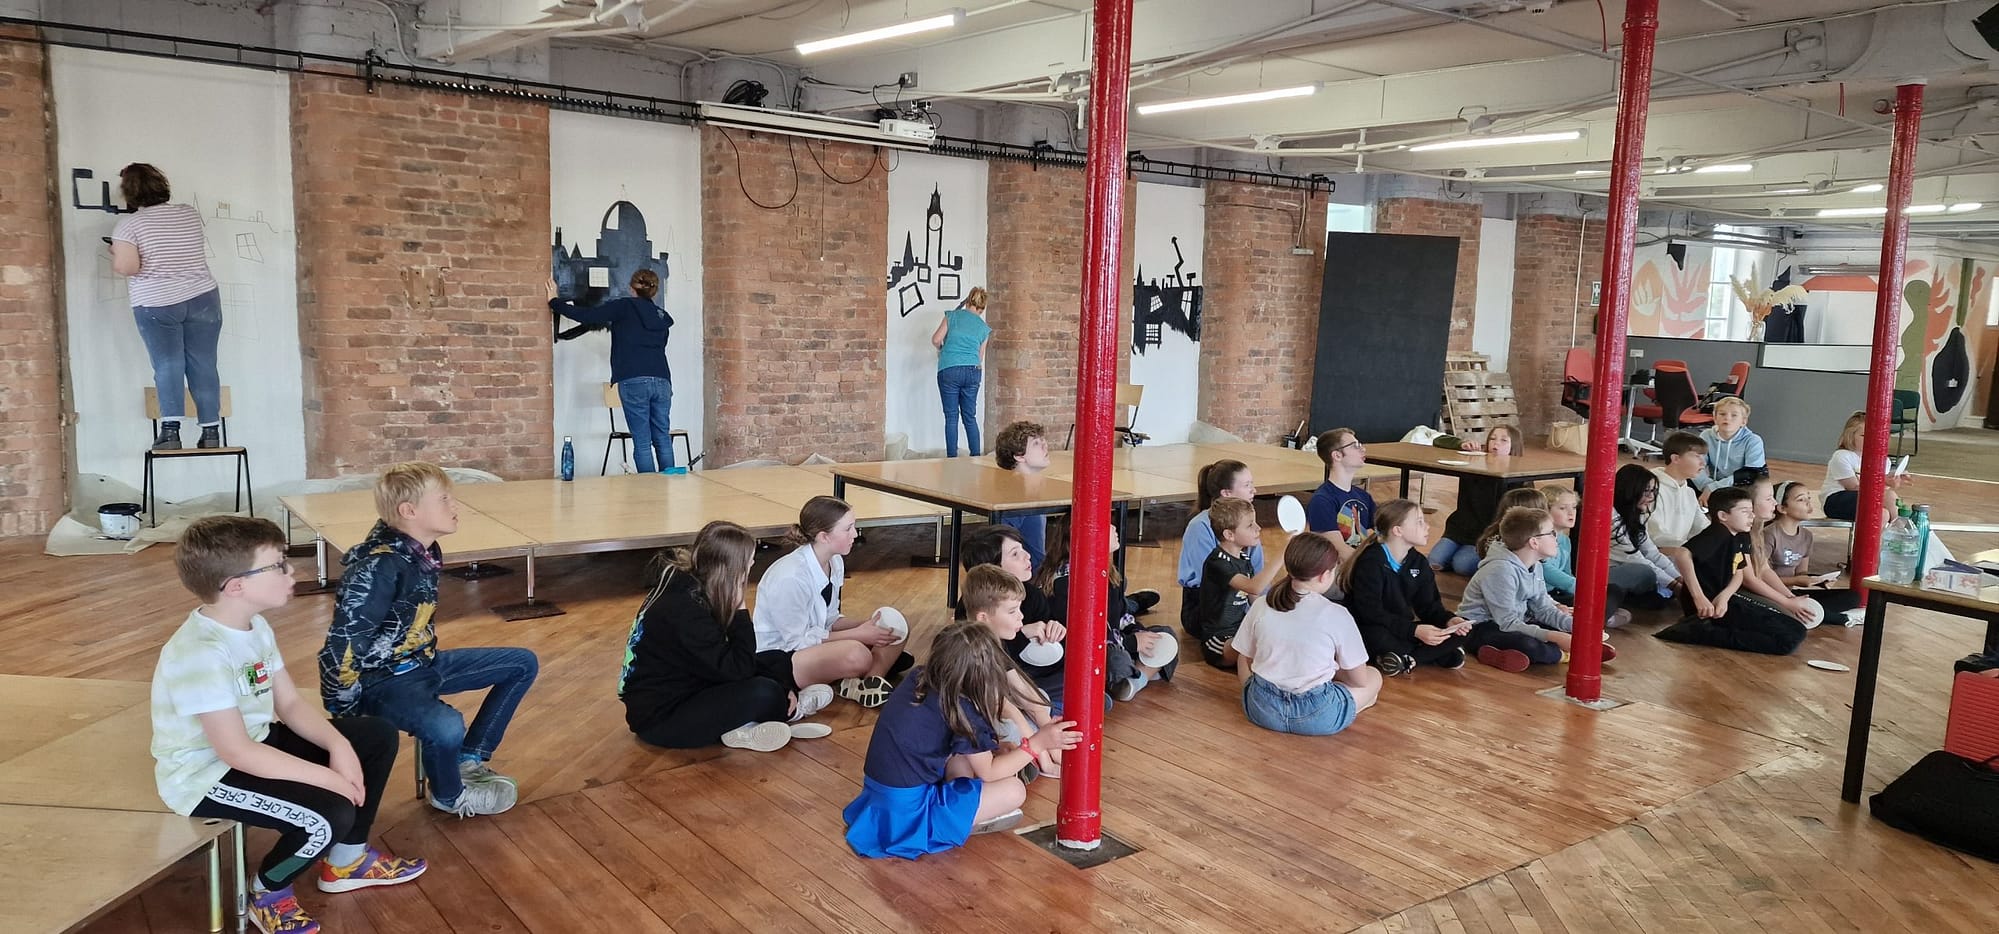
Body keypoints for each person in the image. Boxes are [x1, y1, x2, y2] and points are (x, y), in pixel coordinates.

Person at [154, 517, 425, 934]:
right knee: (327, 815)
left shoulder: (254, 626)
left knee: (374, 735)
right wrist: (328, 778)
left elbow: (291, 703)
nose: (291, 571)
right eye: (278, 565)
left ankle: (346, 860)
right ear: (236, 586)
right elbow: (235, 752)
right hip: (206, 775)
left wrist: (339, 747)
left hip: (257, 744)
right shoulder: (200, 653)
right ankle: (267, 891)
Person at [317, 463, 538, 819]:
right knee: (446, 725)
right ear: (409, 511)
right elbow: (341, 646)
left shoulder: (422, 551)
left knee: (522, 663)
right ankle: (449, 795)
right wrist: (344, 712)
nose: (455, 506)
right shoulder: (378, 567)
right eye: (444, 499)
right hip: (381, 681)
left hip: (423, 664)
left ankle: (469, 758)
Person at [842, 619, 1082, 859]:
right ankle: (962, 820)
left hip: (878, 799)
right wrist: (1038, 744)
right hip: (907, 815)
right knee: (1014, 790)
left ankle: (963, 808)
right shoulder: (963, 707)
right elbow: (990, 773)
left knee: (968, 759)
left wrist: (997, 747)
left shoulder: (919, 677)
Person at [620, 521, 834, 753]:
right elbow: (738, 669)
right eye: (749, 559)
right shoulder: (685, 611)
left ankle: (743, 725)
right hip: (662, 718)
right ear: (733, 567)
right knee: (764, 692)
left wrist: (782, 684)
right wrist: (740, 609)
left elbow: (724, 658)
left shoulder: (691, 587)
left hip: (690, 684)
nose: (752, 563)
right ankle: (789, 711)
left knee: (776, 659)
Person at [753, 496, 913, 708]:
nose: (855, 534)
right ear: (824, 537)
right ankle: (868, 668)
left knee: (894, 622)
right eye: (848, 529)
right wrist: (859, 634)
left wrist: (868, 626)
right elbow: (797, 642)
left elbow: (829, 619)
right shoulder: (790, 577)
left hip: (814, 643)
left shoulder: (835, 561)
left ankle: (868, 681)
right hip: (781, 657)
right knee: (857, 654)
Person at [109, 163, 225, 451]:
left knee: (168, 364)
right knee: (204, 363)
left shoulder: (129, 226)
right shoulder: (189, 214)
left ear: (129, 193)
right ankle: (211, 432)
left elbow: (128, 267)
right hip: (203, 297)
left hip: (157, 302)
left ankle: (171, 433)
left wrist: (116, 250)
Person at [1233, 533, 1382, 735]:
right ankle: (1352, 707)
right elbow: (1360, 680)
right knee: (1374, 677)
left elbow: (1246, 658)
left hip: (1262, 709)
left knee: (1246, 657)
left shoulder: (1262, 604)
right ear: (1324, 575)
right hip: (1316, 715)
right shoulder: (1336, 614)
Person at [546, 270, 676, 471]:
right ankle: (672, 485)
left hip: (633, 379)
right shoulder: (661, 316)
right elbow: (662, 345)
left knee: (642, 442)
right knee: (662, 438)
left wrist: (554, 302)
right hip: (662, 381)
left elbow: (587, 316)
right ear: (655, 291)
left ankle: (650, 489)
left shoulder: (624, 306)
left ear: (631, 288)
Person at [1458, 507, 1617, 672]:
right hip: (1480, 628)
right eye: (1551, 533)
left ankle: (1570, 648)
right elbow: (1507, 622)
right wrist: (1555, 637)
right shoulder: (1500, 570)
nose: (1556, 538)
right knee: (1529, 644)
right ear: (1534, 542)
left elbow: (1544, 609)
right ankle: (1568, 654)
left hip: (1514, 622)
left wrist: (1579, 628)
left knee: (1556, 629)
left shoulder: (1536, 566)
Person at [1657, 487, 1809, 656]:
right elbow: (1682, 554)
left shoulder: (1741, 535)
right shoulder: (1718, 533)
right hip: (1707, 606)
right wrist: (1699, 597)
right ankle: (1699, 632)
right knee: (1787, 640)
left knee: (1795, 630)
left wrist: (1725, 596)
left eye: (1751, 511)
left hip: (1724, 601)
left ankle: (1707, 630)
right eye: (1745, 512)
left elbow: (1739, 571)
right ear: (1723, 516)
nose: (1752, 516)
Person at [1042, 517, 1180, 702]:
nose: (1115, 528)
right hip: (1086, 654)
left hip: (1116, 641)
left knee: (1165, 634)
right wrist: (1131, 643)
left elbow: (1121, 616)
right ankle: (1139, 674)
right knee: (1116, 660)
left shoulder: (1107, 571)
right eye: (1107, 524)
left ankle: (1133, 680)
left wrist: (1137, 632)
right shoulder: (1066, 583)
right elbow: (1084, 638)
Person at [1339, 498, 1472, 675]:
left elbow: (1429, 607)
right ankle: (1431, 655)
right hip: (1371, 627)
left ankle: (1406, 659)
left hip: (1402, 628)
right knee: (1378, 638)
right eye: (1419, 522)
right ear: (1398, 530)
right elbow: (1370, 613)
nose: (1427, 527)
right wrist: (1414, 631)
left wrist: (1449, 620)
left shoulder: (1419, 562)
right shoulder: (1371, 562)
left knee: (1463, 631)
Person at [959, 525, 1071, 712]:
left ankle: (1048, 707)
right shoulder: (971, 607)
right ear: (992, 569)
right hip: (999, 685)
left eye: (1022, 549)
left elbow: (1054, 655)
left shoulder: (1032, 594)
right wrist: (1023, 633)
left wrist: (1056, 631)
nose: (1027, 556)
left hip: (1036, 678)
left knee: (1085, 684)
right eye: (1015, 554)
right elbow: (989, 663)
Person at [1196, 498, 1289, 670]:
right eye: (1250, 525)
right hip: (1218, 638)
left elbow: (1256, 600)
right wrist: (1283, 552)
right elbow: (1254, 587)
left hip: (1241, 629)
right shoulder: (1217, 562)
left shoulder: (1244, 559)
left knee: (1280, 640)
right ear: (1229, 535)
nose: (1258, 528)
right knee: (1256, 651)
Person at [1177, 460, 1262, 640]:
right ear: (1226, 493)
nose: (1253, 490)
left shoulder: (1250, 527)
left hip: (1241, 599)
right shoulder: (1199, 526)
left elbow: (1258, 576)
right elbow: (1212, 581)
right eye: (1247, 485)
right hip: (1207, 607)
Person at [1537, 484, 1647, 621]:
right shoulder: (1540, 538)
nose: (1571, 513)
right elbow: (1545, 569)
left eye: (1574, 507)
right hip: (1544, 595)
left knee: (1613, 590)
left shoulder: (1565, 540)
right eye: (1562, 508)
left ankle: (1592, 617)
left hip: (1561, 592)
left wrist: (1583, 592)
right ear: (1546, 511)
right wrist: (1581, 588)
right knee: (1594, 596)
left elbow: (1567, 572)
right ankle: (1594, 619)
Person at [1430, 425, 1525, 576]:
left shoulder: (1518, 475)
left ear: (1514, 446)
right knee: (1435, 560)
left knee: (1462, 565)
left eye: (1503, 440)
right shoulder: (1475, 461)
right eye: (1492, 439)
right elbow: (1439, 440)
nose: (1496, 443)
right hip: (1460, 529)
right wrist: (1461, 444)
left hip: (1486, 535)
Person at [1766, 480, 1860, 616]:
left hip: (1791, 593)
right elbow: (1762, 577)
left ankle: (1808, 614)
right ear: (1782, 508)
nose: (1807, 503)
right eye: (1801, 499)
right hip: (1770, 594)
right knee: (1806, 609)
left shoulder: (1806, 536)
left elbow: (1801, 573)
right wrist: (1796, 581)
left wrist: (1818, 581)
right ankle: (1835, 618)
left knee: (1852, 597)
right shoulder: (1769, 534)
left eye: (1808, 498)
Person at [1607, 463, 1683, 607]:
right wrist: (1675, 585)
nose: (1651, 497)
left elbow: (1652, 553)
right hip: (1610, 573)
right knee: (1643, 571)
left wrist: (1681, 579)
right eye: (1646, 491)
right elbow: (1635, 558)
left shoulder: (1635, 513)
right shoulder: (1610, 517)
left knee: (1679, 561)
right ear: (1630, 490)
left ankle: (1658, 592)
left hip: (1628, 566)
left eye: (1654, 491)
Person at [932, 286, 992, 458]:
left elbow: (936, 339)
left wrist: (942, 349)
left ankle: (952, 459)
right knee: (970, 417)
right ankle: (976, 458)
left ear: (967, 302)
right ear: (982, 308)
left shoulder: (952, 316)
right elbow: (979, 357)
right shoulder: (984, 328)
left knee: (951, 417)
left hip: (949, 369)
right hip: (973, 371)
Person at [1821, 410, 1911, 520]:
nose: (1870, 439)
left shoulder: (1884, 461)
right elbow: (1854, 487)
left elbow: (1881, 488)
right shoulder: (1842, 456)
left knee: (1883, 513)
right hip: (1836, 500)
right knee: (1887, 496)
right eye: (1864, 435)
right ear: (1850, 436)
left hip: (1865, 498)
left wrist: (1893, 479)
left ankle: (1898, 527)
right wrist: (1884, 481)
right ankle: (1901, 526)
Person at [1306, 427, 1374, 561]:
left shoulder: (1364, 497)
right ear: (1337, 455)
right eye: (1355, 446)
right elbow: (1339, 550)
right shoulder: (1322, 500)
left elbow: (1377, 534)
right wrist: (1371, 568)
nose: (1363, 449)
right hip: (1341, 571)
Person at [1647, 431, 1712, 548]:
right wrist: (1691, 548)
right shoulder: (1652, 489)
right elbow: (1655, 534)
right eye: (1697, 456)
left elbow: (1701, 526)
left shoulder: (1689, 492)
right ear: (1676, 458)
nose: (1703, 463)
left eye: (1703, 457)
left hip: (1682, 551)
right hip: (1657, 553)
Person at [1694, 397, 1766, 494]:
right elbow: (1695, 464)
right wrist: (1706, 486)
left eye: (1734, 415)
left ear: (1743, 421)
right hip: (1711, 486)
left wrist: (1714, 488)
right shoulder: (1706, 436)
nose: (1727, 418)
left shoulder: (1753, 440)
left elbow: (1750, 473)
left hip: (1743, 488)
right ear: (1715, 418)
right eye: (1722, 414)